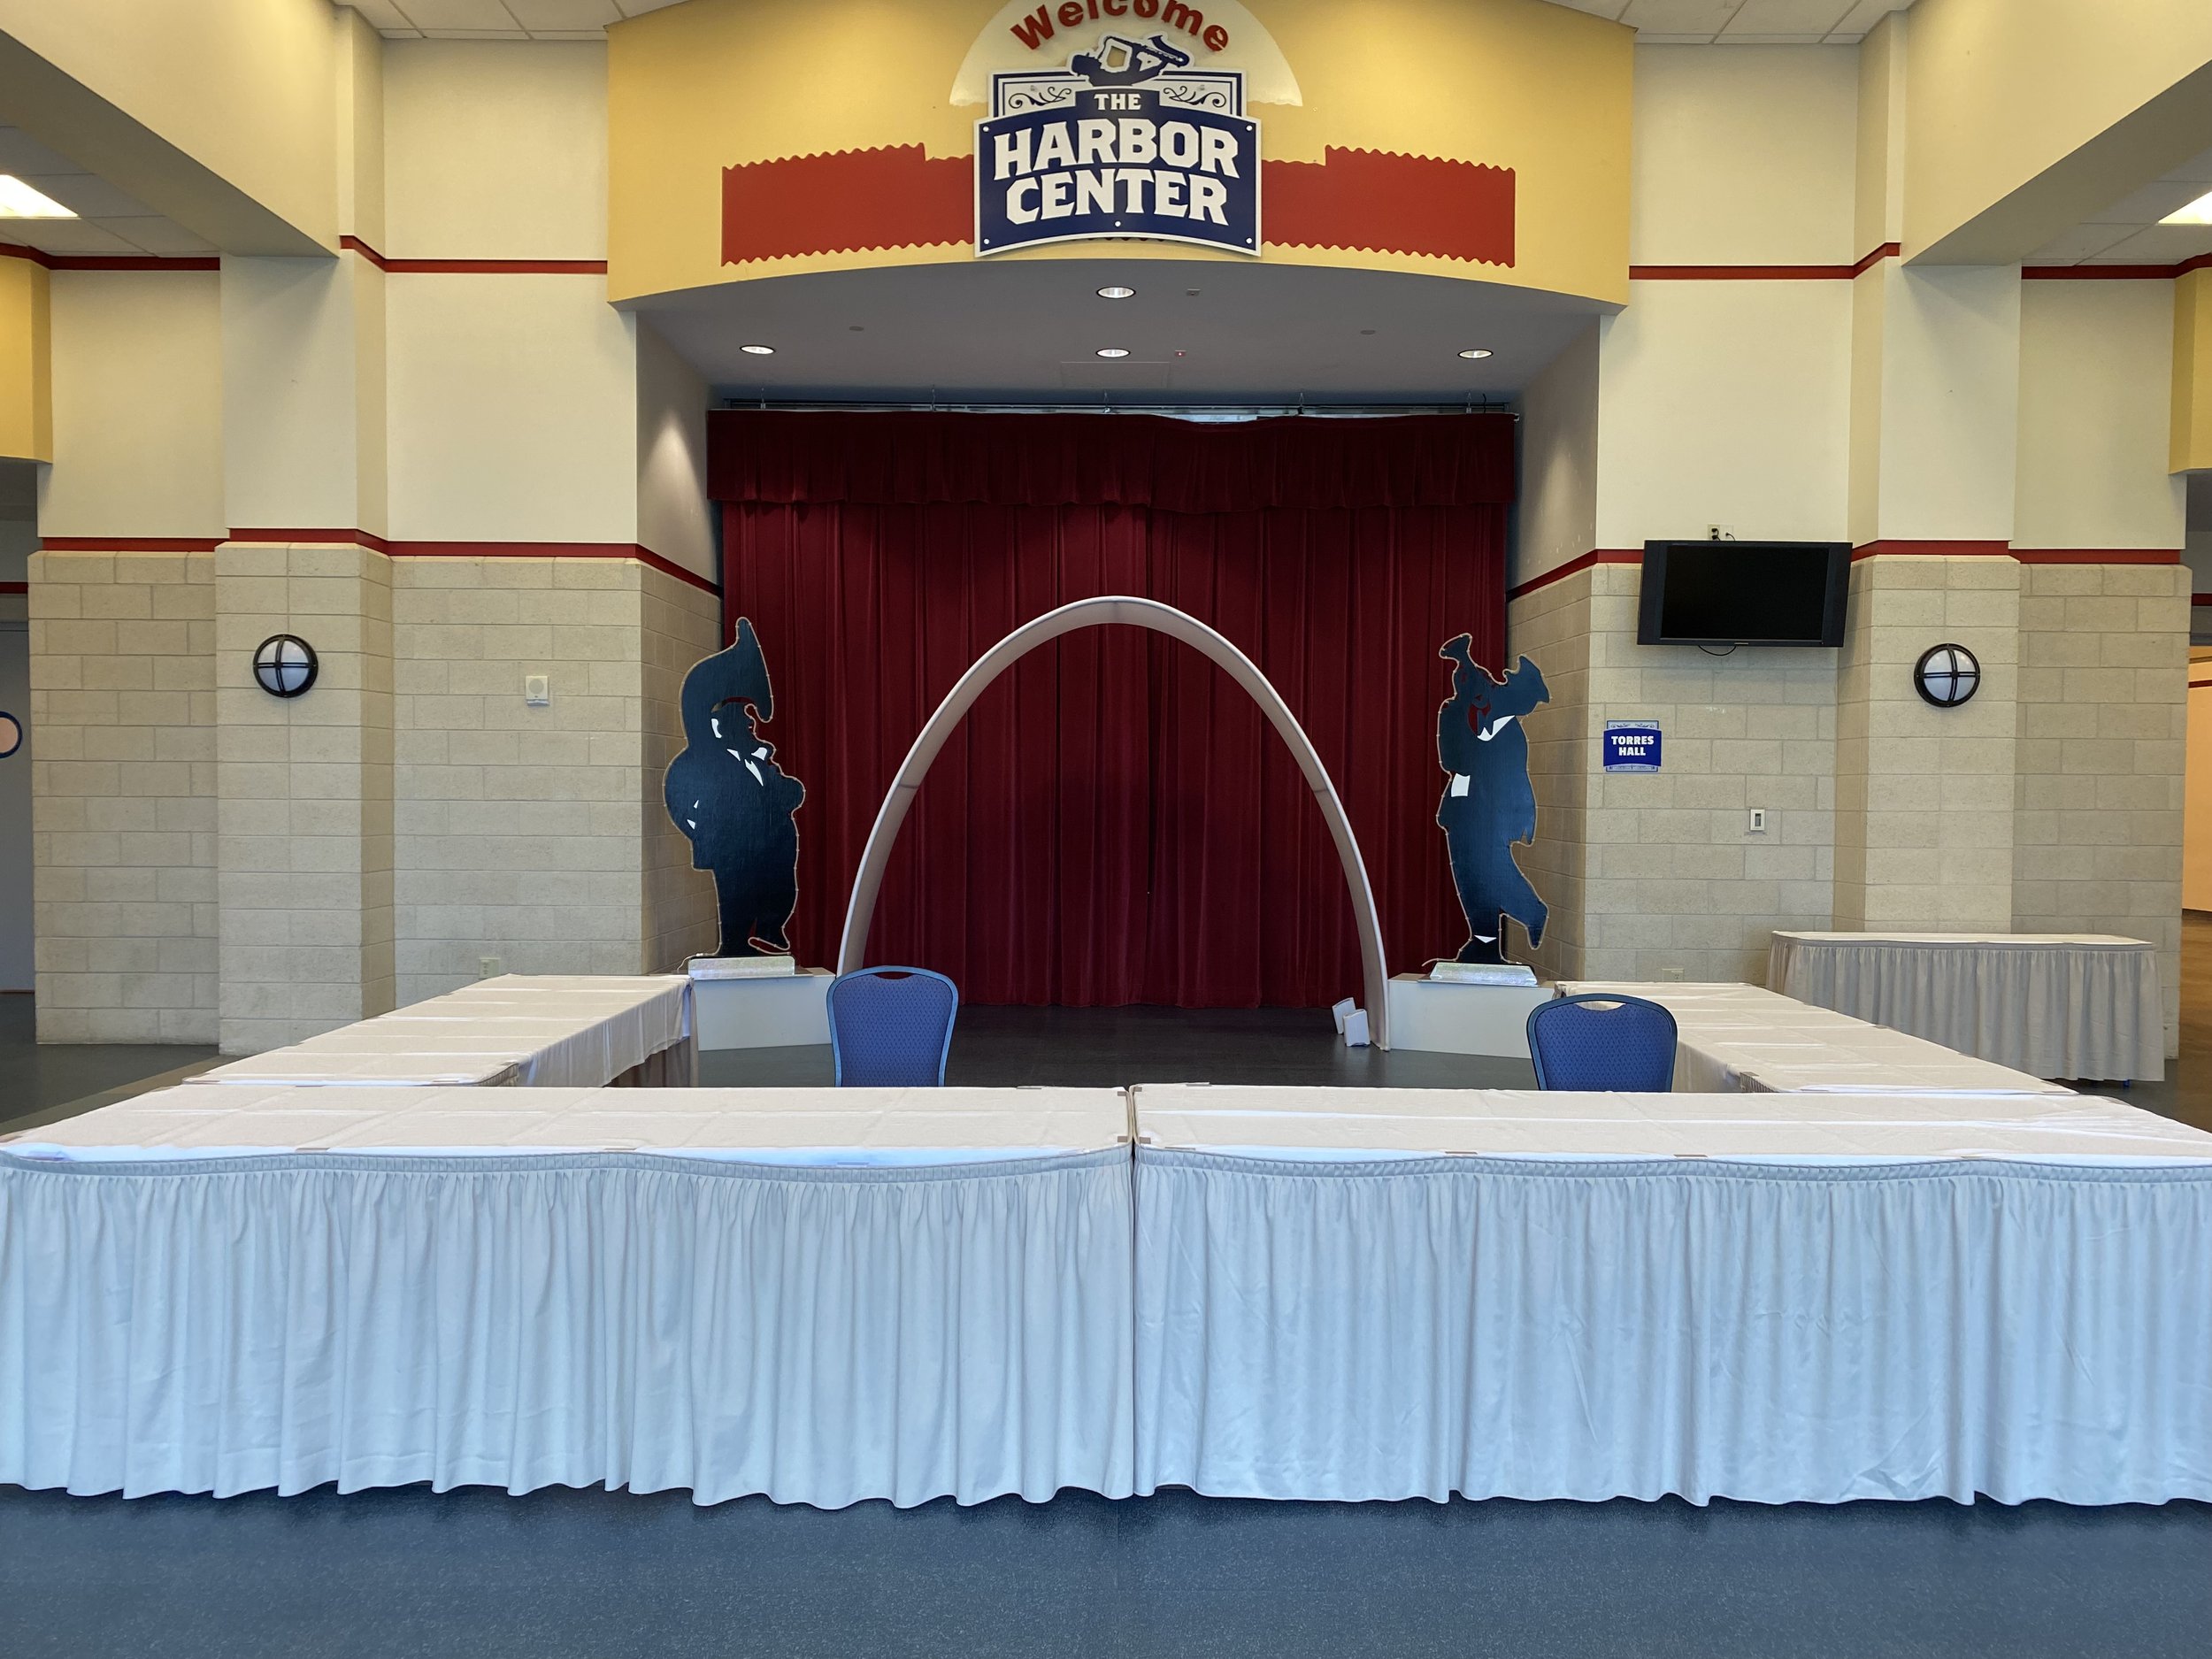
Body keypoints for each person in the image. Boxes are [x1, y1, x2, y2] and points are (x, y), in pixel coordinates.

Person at [664, 618, 805, 957]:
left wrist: (770, 771)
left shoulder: (758, 761)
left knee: (775, 890)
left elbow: (793, 794)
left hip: (767, 847)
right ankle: (733, 944)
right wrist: (703, 833)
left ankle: (769, 930)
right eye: (746, 723)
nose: (752, 727)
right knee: (735, 893)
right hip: (730, 846)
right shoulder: (698, 760)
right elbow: (678, 801)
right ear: (727, 729)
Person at [1435, 634, 1548, 964]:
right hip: (1462, 812)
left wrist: (1523, 818)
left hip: (1493, 816)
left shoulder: (1512, 736)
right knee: (1467, 875)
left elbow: (1516, 780)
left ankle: (1531, 911)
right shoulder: (1455, 713)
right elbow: (1451, 760)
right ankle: (1483, 940)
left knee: (1493, 871)